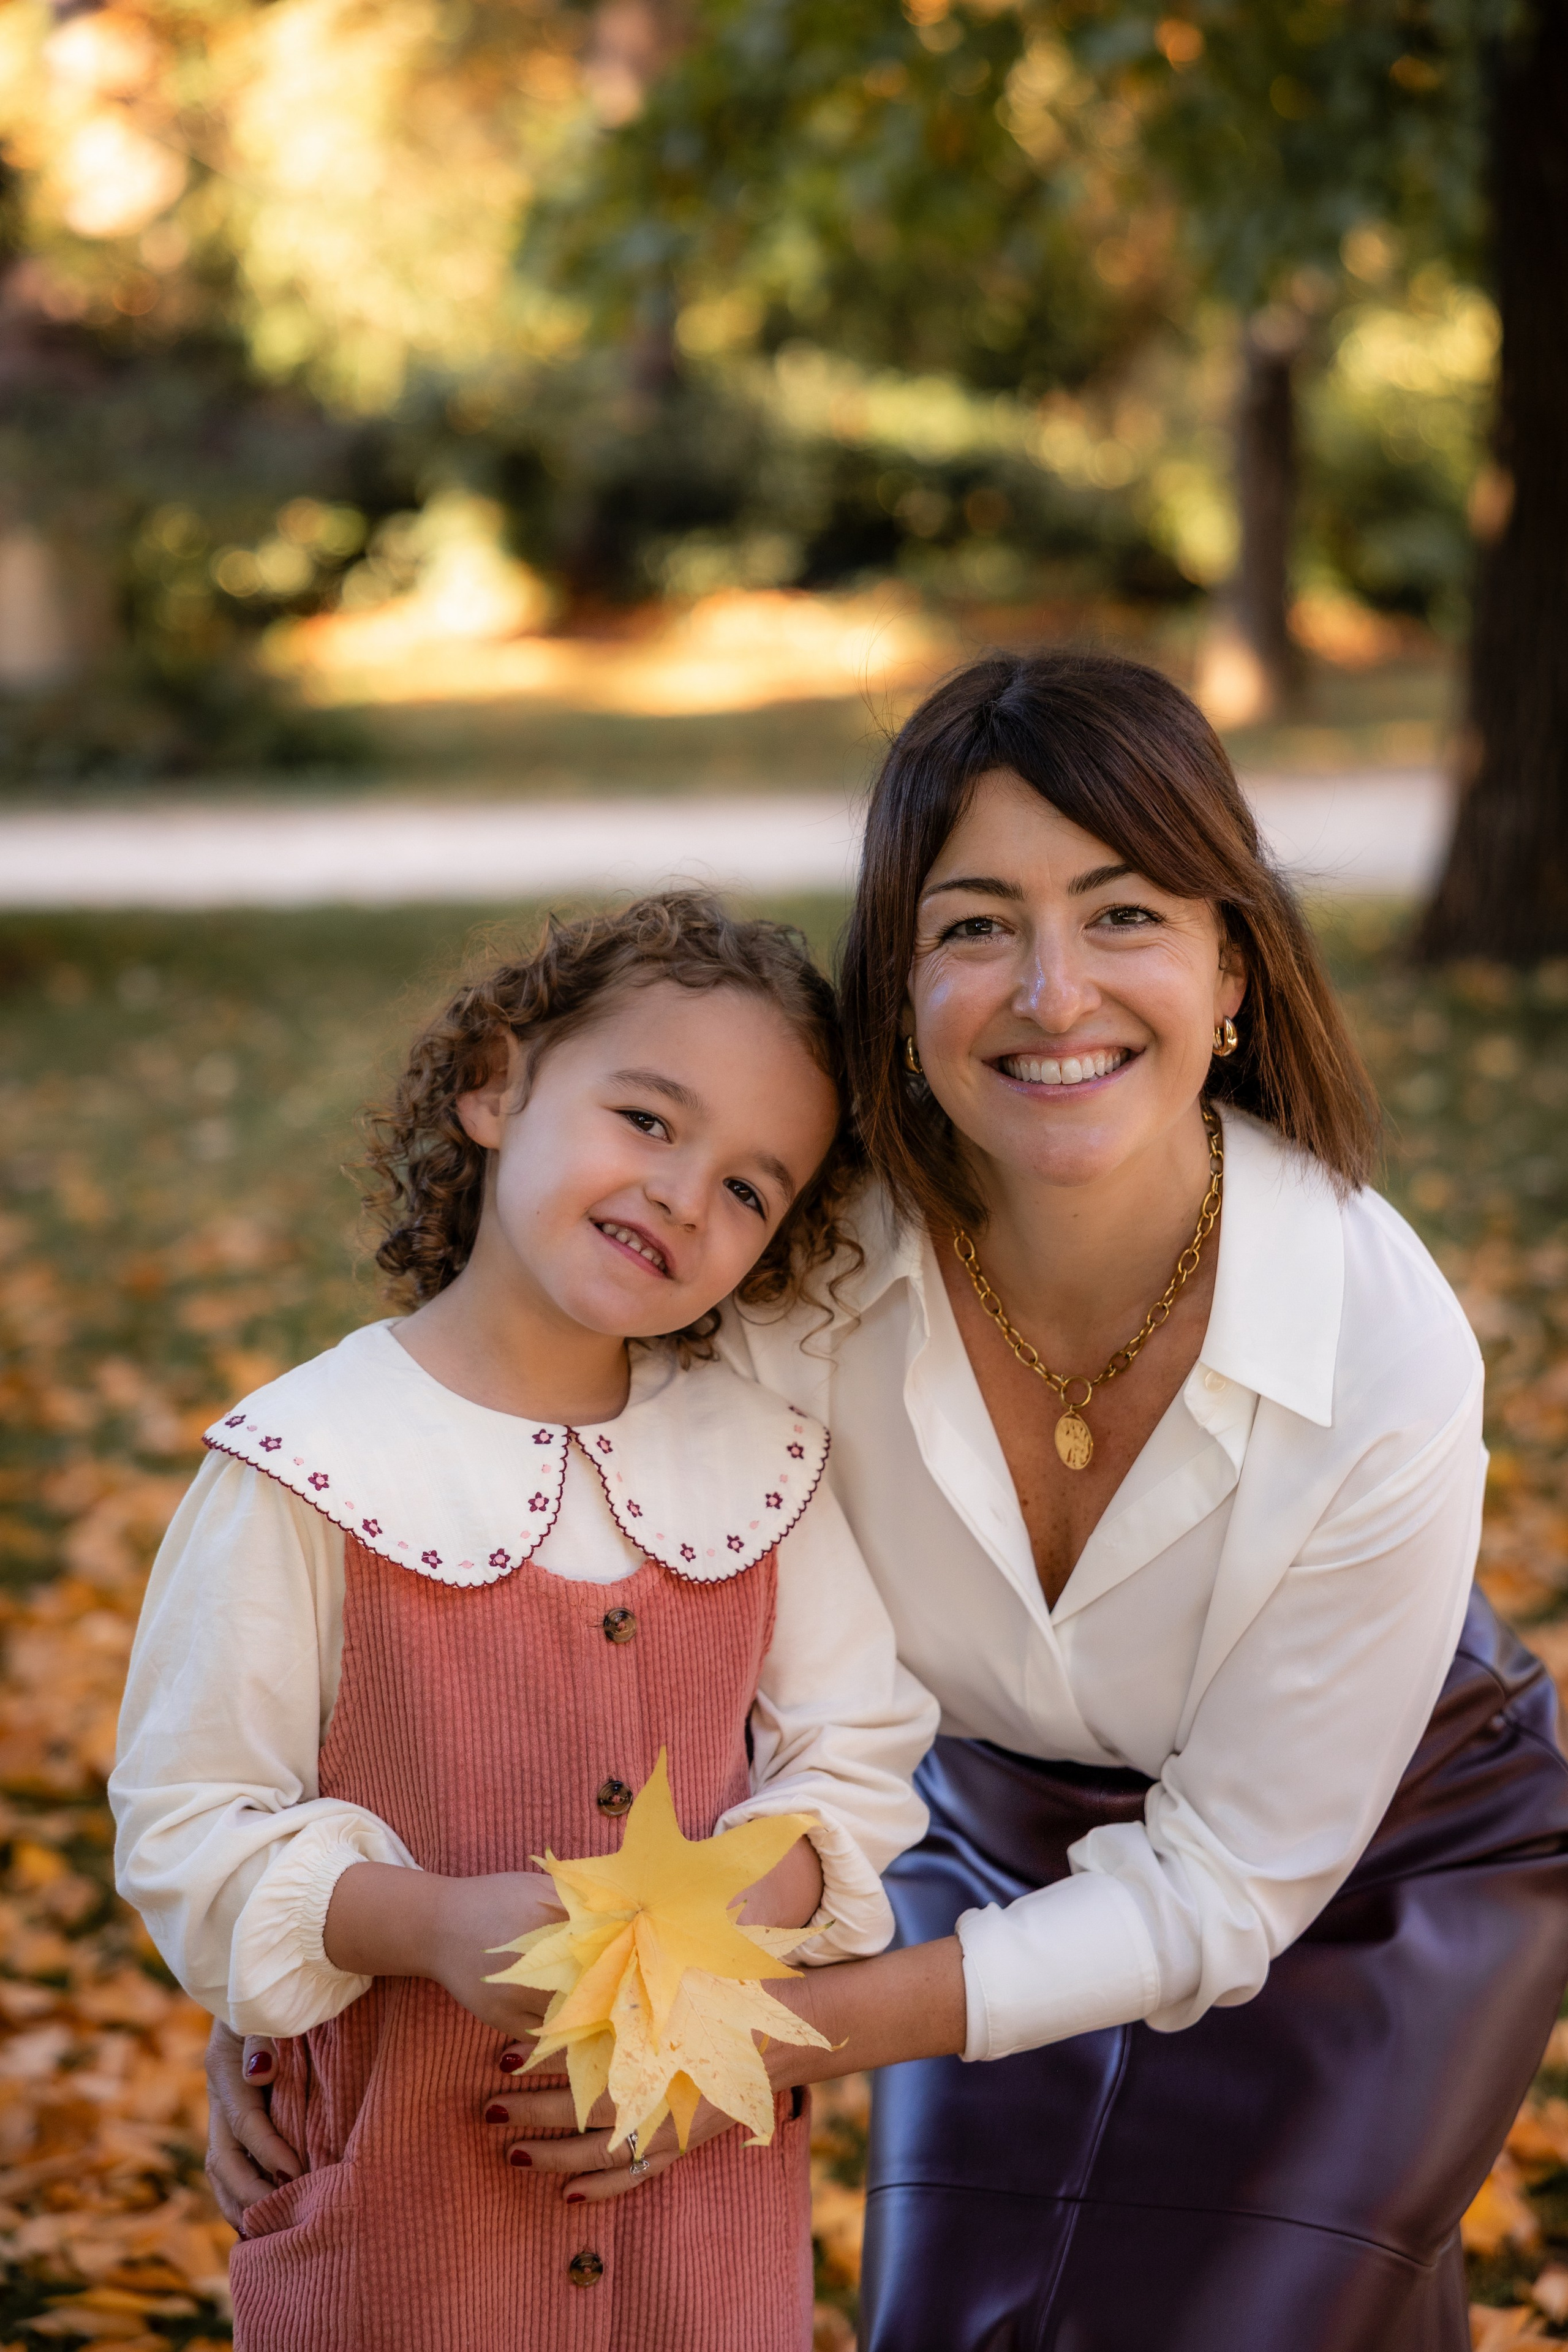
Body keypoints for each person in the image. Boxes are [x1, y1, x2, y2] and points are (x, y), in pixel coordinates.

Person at [208, 654, 1568, 2352]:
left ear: (1232, 962)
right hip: (978, 1836)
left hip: (1365, 1861)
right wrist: (319, 1969)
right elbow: (565, 1588)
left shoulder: (1375, 1333)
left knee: (1253, 2318)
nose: (1053, 993)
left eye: (1125, 914)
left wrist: (755, 2038)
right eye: (976, 925)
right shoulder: (785, 1263)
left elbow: (1227, 1885)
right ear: (900, 990)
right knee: (964, 2326)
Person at [111, 893, 938, 2352]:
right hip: (407, 2218)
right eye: (647, 1119)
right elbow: (188, 1828)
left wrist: (705, 1940)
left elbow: (860, 1765)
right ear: (494, 1086)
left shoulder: (766, 1469)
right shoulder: (305, 1467)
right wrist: (425, 1925)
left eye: (751, 1189)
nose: (683, 1196)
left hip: (695, 2212)